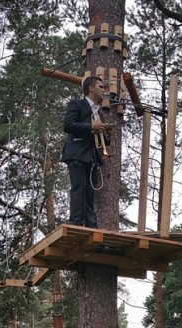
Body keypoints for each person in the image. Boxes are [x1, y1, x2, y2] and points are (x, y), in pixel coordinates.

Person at [62, 76, 109, 228]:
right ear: (91, 88)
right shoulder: (77, 104)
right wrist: (91, 127)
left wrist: (107, 134)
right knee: (79, 188)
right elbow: (68, 125)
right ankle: (76, 222)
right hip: (76, 152)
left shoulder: (99, 113)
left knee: (90, 192)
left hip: (92, 157)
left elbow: (103, 140)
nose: (104, 90)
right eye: (101, 87)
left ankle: (91, 224)